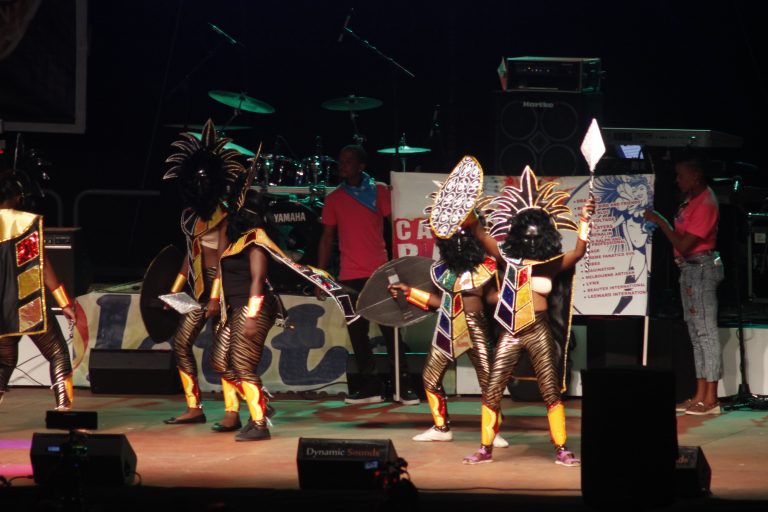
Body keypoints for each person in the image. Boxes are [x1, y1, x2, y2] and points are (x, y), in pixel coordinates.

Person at [465, 166, 593, 466]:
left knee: (550, 388)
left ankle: (561, 448)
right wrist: (467, 209)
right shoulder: (507, 260)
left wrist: (585, 220)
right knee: (493, 388)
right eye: (528, 237)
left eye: (537, 237)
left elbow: (578, 253)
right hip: (511, 331)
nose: (533, 242)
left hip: (538, 329)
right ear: (519, 236)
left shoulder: (551, 264)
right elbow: (480, 232)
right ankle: (485, 447)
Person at [215, 188, 359, 440]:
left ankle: (259, 424)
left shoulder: (256, 238)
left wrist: (252, 316)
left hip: (253, 306)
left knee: (242, 364)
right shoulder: (233, 240)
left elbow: (258, 279)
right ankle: (260, 402)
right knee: (220, 362)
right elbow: (219, 265)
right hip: (233, 307)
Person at [386, 155, 507, 446]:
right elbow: (440, 302)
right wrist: (409, 292)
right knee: (430, 378)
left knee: (488, 380)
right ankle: (441, 428)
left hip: (475, 327)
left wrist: (509, 295)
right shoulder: (442, 270)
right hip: (446, 327)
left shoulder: (487, 266)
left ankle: (493, 431)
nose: (457, 240)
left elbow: (493, 293)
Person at [316, 144, 419, 405]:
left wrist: (402, 264)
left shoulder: (379, 191)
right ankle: (370, 386)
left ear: (361, 166)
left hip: (380, 271)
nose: (342, 166)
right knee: (357, 333)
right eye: (341, 161)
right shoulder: (334, 199)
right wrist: (321, 276)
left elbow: (397, 226)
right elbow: (326, 239)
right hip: (349, 274)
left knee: (391, 329)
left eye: (348, 161)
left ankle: (402, 385)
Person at [644, 155, 723, 416]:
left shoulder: (706, 203)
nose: (677, 180)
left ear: (696, 176)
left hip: (701, 268)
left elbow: (684, 244)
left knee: (706, 333)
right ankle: (700, 394)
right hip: (688, 269)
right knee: (695, 333)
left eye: (681, 175)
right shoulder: (690, 200)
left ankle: (711, 398)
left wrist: (661, 222)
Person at [0, 160, 77, 410]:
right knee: (57, 353)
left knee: (4, 362)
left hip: (1, 311)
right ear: (17, 196)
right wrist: (65, 303)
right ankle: (64, 407)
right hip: (28, 304)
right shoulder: (27, 222)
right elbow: (43, 267)